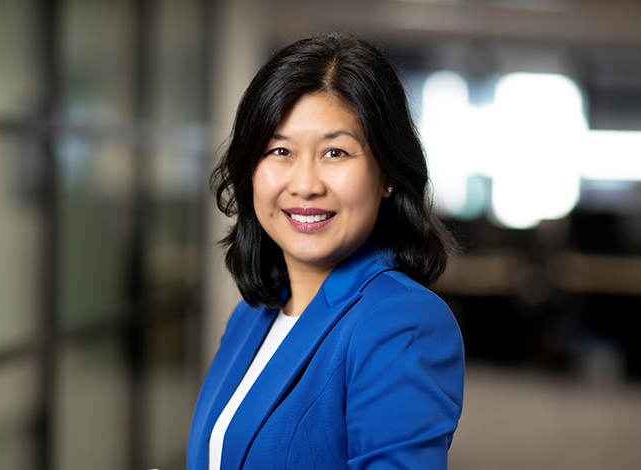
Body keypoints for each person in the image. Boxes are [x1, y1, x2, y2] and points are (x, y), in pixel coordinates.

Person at [187, 33, 464, 470]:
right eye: (280, 151)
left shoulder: (402, 322)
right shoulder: (252, 315)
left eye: (335, 152)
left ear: (388, 173)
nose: (306, 184)